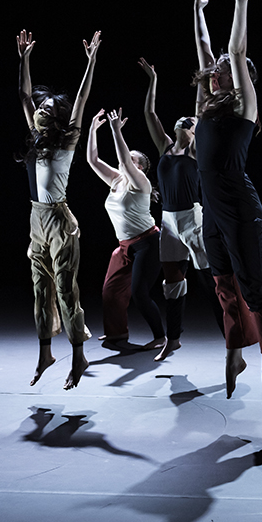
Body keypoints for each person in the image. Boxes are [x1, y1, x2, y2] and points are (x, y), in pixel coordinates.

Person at [193, 0, 262, 410]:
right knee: (223, 283)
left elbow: (235, 49)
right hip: (212, 208)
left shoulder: (246, 106)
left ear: (244, 77)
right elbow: (205, 47)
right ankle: (235, 352)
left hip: (240, 205)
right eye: (215, 71)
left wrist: (240, 2)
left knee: (253, 284)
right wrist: (197, 10)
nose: (216, 72)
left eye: (225, 70)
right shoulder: (205, 107)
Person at [17, 29, 101, 390]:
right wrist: (24, 59)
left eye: (47, 109)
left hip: (58, 220)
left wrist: (91, 61)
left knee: (66, 290)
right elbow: (24, 95)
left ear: (57, 118)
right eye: (41, 107)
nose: (40, 110)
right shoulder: (36, 140)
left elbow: (81, 98)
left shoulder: (67, 141)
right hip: (36, 218)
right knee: (41, 290)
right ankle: (45, 353)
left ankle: (79, 355)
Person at [138, 57, 224, 362]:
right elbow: (149, 113)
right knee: (172, 283)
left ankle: (232, 336)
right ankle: (173, 339)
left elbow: (200, 112)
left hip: (192, 217)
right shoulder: (165, 147)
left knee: (209, 281)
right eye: (182, 119)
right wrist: (153, 80)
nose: (183, 120)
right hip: (169, 221)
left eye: (189, 121)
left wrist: (205, 82)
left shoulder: (196, 150)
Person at [87, 108, 165, 351]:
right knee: (111, 291)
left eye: (133, 159)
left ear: (139, 168)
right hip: (124, 246)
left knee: (139, 294)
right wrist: (92, 129)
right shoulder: (116, 180)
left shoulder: (141, 183)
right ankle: (117, 334)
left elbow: (122, 161)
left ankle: (161, 337)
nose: (125, 161)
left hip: (147, 244)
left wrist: (116, 131)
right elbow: (92, 160)